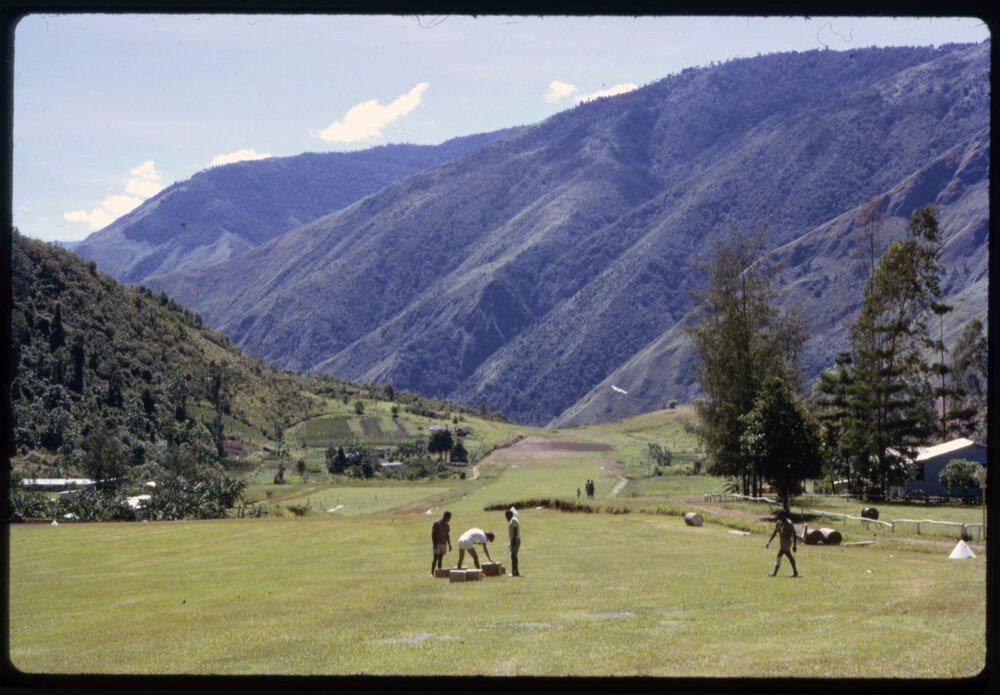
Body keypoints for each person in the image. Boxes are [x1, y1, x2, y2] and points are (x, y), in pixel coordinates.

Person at [765, 509, 798, 577]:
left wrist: (794, 545)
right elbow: (775, 532)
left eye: (779, 515)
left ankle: (775, 573)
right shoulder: (779, 522)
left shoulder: (789, 523)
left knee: (779, 554)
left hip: (787, 540)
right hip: (782, 540)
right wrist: (769, 541)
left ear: (783, 516)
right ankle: (795, 572)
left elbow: (794, 534)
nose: (777, 516)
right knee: (789, 556)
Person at [431, 511, 452, 576]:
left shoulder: (447, 525)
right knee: (435, 558)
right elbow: (433, 534)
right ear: (445, 517)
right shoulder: (437, 523)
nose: (449, 520)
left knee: (441, 558)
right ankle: (432, 573)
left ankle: (439, 572)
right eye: (449, 518)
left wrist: (449, 544)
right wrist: (434, 543)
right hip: (437, 543)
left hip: (443, 543)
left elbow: (447, 535)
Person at [505, 508, 521, 576]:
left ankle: (515, 572)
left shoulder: (513, 520)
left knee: (514, 556)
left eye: (507, 516)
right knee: (513, 556)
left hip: (515, 540)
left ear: (510, 515)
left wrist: (513, 540)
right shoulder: (512, 520)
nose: (506, 518)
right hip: (514, 540)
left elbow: (515, 530)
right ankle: (514, 571)